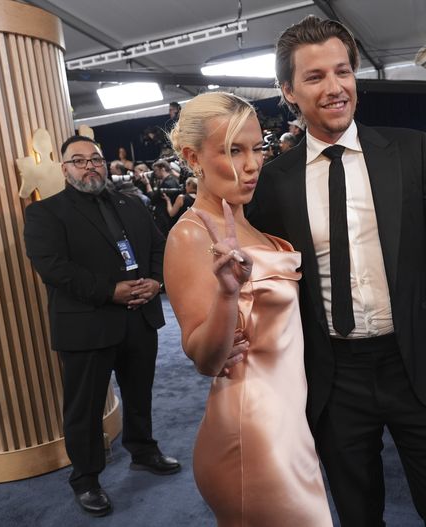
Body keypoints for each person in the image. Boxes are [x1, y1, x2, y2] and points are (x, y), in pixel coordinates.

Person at [249, 15, 426, 527]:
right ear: (288, 90)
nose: (334, 88)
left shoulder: (409, 150)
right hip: (333, 378)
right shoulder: (273, 182)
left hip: (418, 363)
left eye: (342, 72)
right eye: (314, 77)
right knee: (358, 516)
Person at [163, 92, 332, 525]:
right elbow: (205, 358)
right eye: (233, 150)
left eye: (257, 147)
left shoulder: (250, 225)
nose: (254, 163)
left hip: (288, 422)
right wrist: (226, 295)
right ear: (192, 157)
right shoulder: (191, 235)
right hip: (252, 432)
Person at [23, 135, 179, 518]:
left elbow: (160, 246)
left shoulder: (131, 203)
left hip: (140, 316)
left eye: (95, 159)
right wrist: (110, 291)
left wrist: (157, 281)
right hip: (87, 324)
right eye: (79, 161)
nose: (89, 166)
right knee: (85, 407)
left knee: (139, 391)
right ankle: (87, 479)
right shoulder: (46, 213)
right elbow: (53, 268)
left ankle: (143, 451)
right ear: (64, 169)